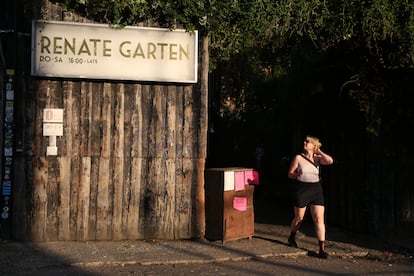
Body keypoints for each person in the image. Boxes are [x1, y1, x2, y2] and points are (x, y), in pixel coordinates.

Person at [287, 135, 333, 259]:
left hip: (316, 189)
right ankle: (292, 235)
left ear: (314, 145)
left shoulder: (318, 159)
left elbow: (330, 161)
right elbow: (290, 174)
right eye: (305, 141)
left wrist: (319, 151)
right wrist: (297, 174)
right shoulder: (298, 157)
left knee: (319, 218)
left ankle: (322, 249)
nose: (305, 142)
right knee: (299, 217)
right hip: (302, 189)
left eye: (308, 142)